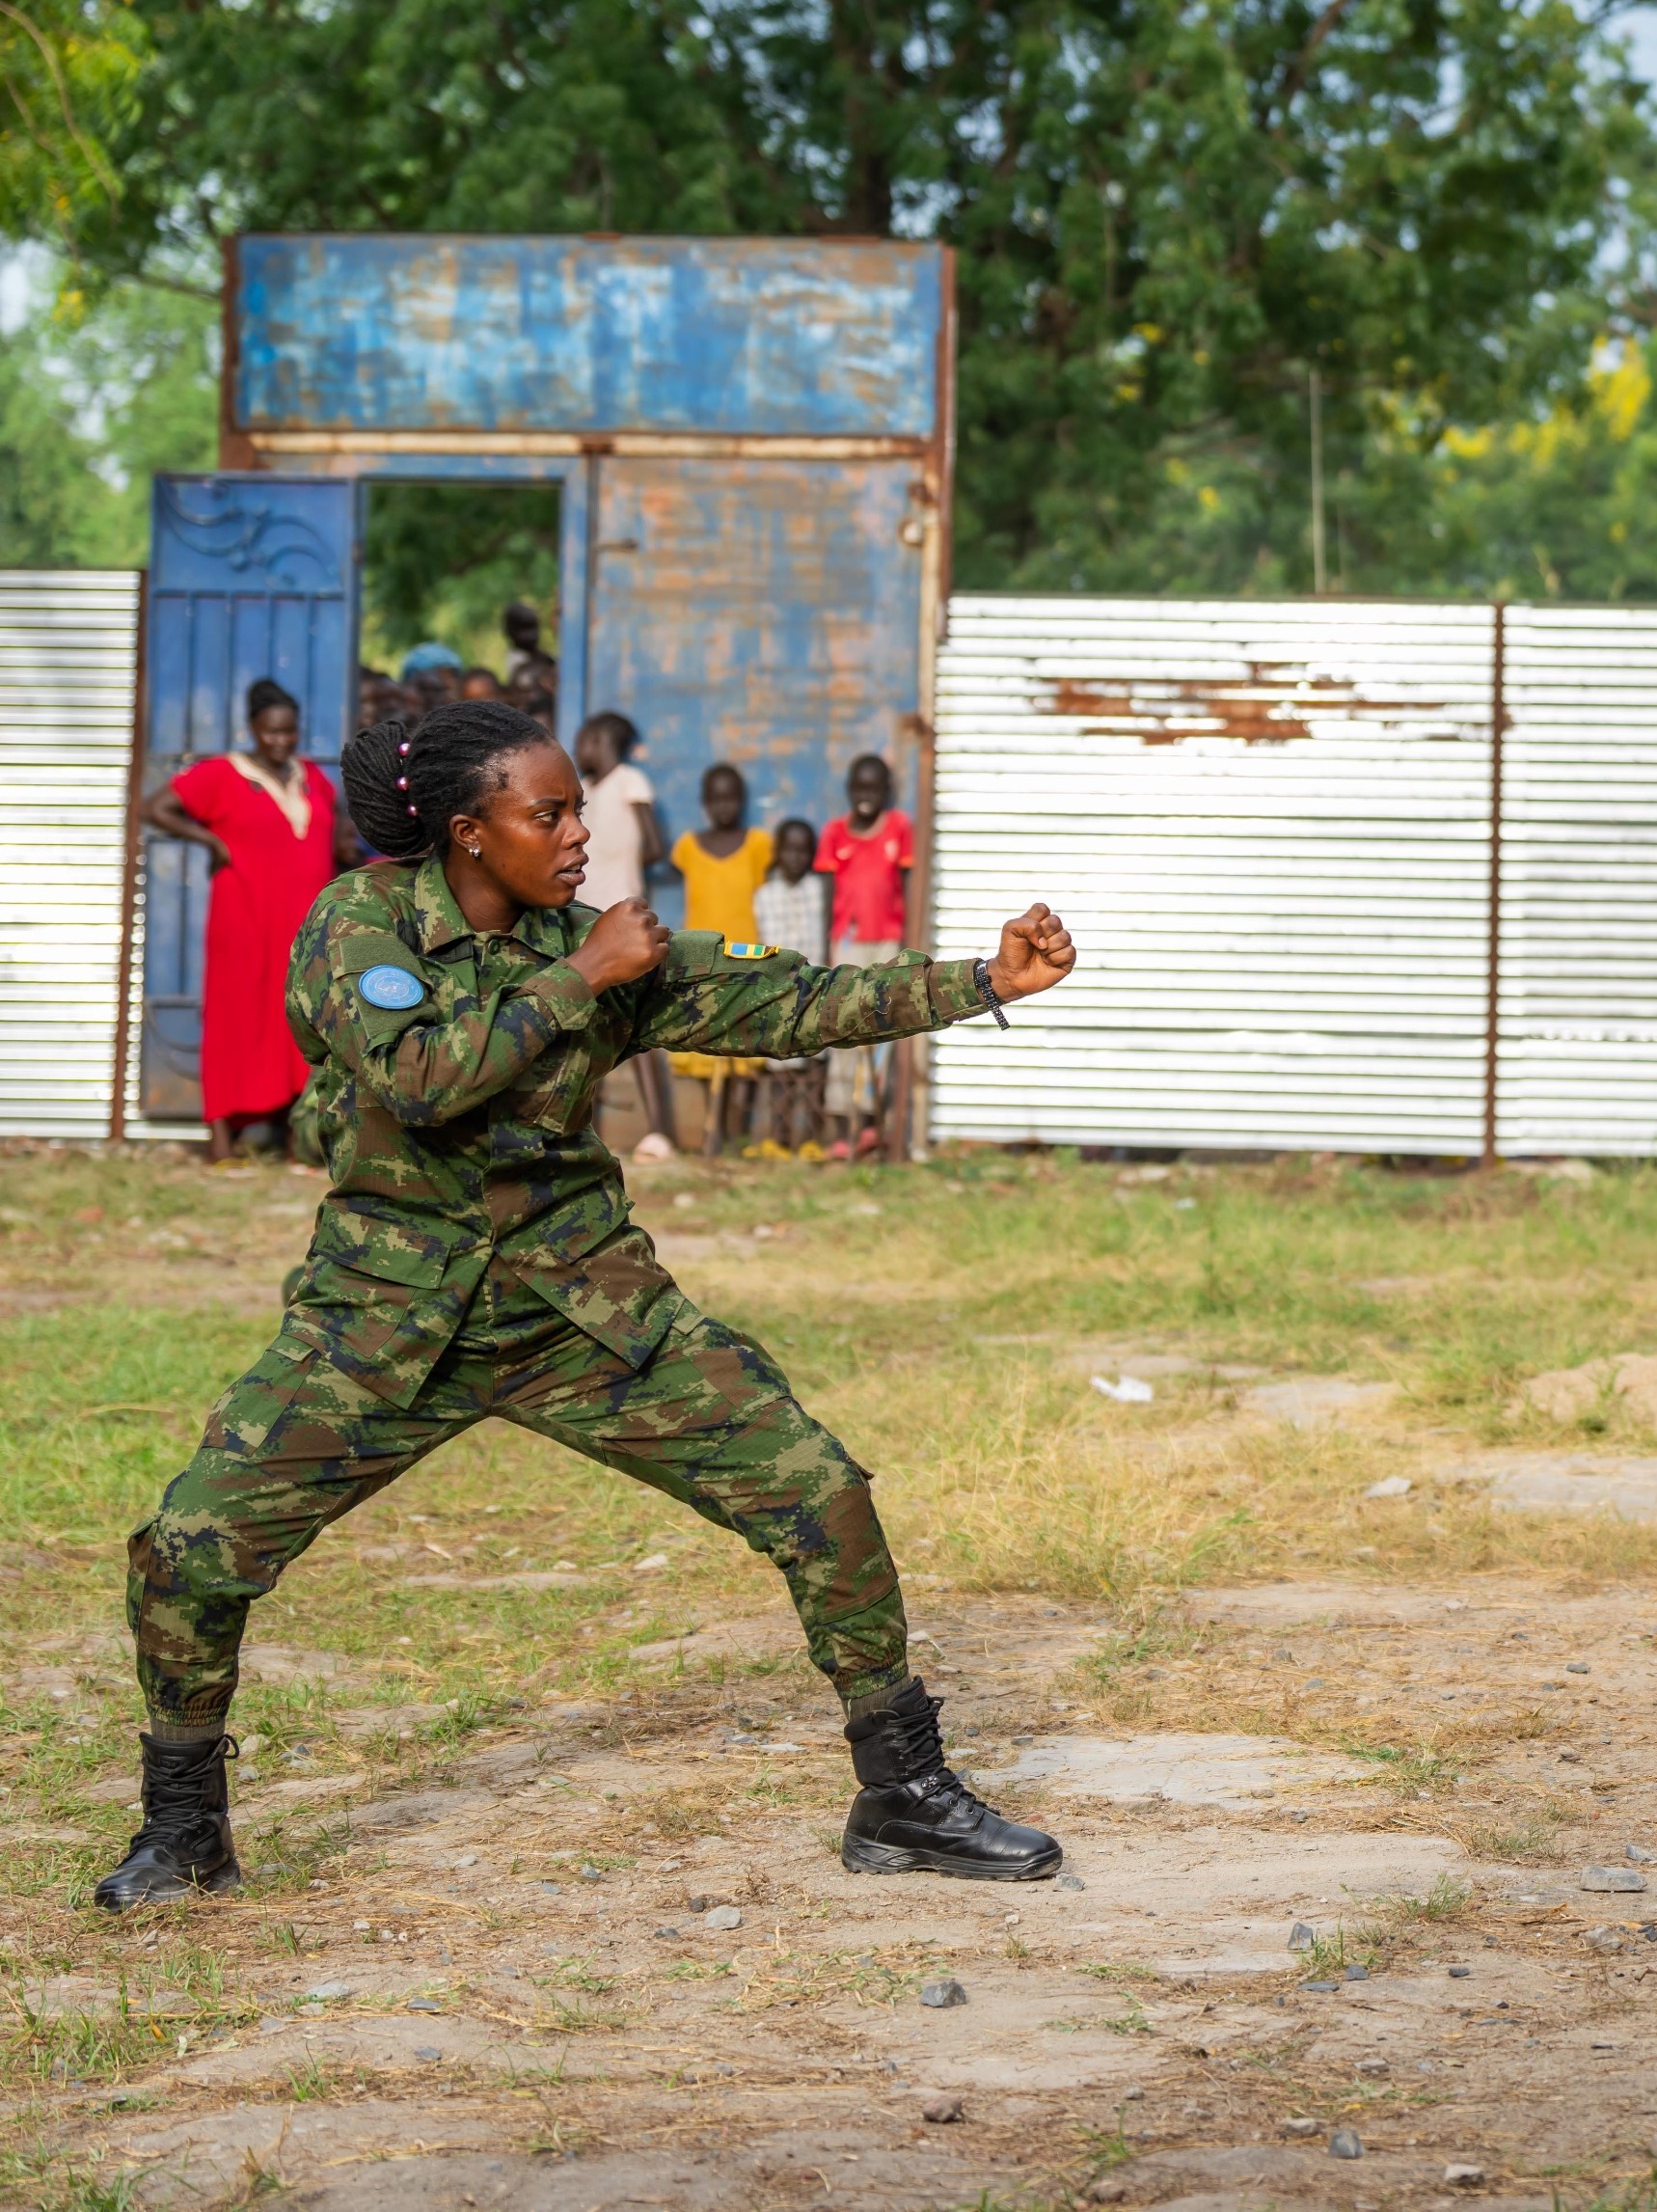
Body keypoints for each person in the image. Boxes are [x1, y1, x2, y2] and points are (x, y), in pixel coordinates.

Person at [98, 698, 1082, 1913]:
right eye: (549, 813)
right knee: (191, 1546)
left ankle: (903, 1792)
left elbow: (786, 1002)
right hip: (383, 1321)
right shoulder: (360, 923)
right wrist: (581, 976)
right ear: (468, 831)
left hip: (580, 1310)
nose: (578, 834)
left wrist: (983, 978)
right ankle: (184, 1829)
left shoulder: (597, 940)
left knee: (819, 1489)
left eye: (577, 810)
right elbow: (417, 1077)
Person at [141, 679, 355, 1161]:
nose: (280, 740)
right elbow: (154, 808)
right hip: (244, 918)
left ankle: (290, 1133)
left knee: (295, 1017)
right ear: (253, 728)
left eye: (289, 731)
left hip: (301, 924)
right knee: (233, 1016)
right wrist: (210, 841)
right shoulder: (222, 774)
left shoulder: (311, 778)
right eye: (271, 731)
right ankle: (221, 1137)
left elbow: (335, 836)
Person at [572, 711, 676, 1161]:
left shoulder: (630, 781)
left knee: (636, 1021)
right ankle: (583, 1132)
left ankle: (660, 1131)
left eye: (583, 741)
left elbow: (654, 846)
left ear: (601, 740)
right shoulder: (585, 789)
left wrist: (621, 869)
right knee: (585, 1026)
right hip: (583, 920)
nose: (578, 750)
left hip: (622, 916)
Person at [668, 764, 773, 1154]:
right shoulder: (688, 848)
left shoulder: (759, 845)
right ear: (704, 802)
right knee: (704, 1039)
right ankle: (711, 1132)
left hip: (747, 960)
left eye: (730, 797)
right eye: (715, 798)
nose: (723, 805)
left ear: (741, 801)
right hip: (701, 961)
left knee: (745, 1046)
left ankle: (736, 1134)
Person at [820, 753, 920, 1159]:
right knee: (843, 1022)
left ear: (886, 792)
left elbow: (908, 886)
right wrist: (825, 945)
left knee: (881, 1029)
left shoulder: (899, 827)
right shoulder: (834, 833)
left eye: (874, 788)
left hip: (887, 943)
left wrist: (911, 942)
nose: (866, 795)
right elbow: (829, 895)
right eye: (859, 788)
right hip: (847, 942)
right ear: (849, 790)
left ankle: (870, 1122)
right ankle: (841, 1124)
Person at [753, 814, 833, 1148]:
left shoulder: (820, 890)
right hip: (778, 989)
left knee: (815, 1064)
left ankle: (812, 1139)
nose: (796, 858)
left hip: (815, 987)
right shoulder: (764, 895)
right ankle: (779, 1139)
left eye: (804, 851)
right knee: (780, 1064)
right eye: (789, 850)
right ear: (777, 852)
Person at [500, 601, 561, 734]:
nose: (531, 635)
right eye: (523, 629)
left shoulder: (545, 658)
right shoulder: (517, 664)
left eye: (533, 628)